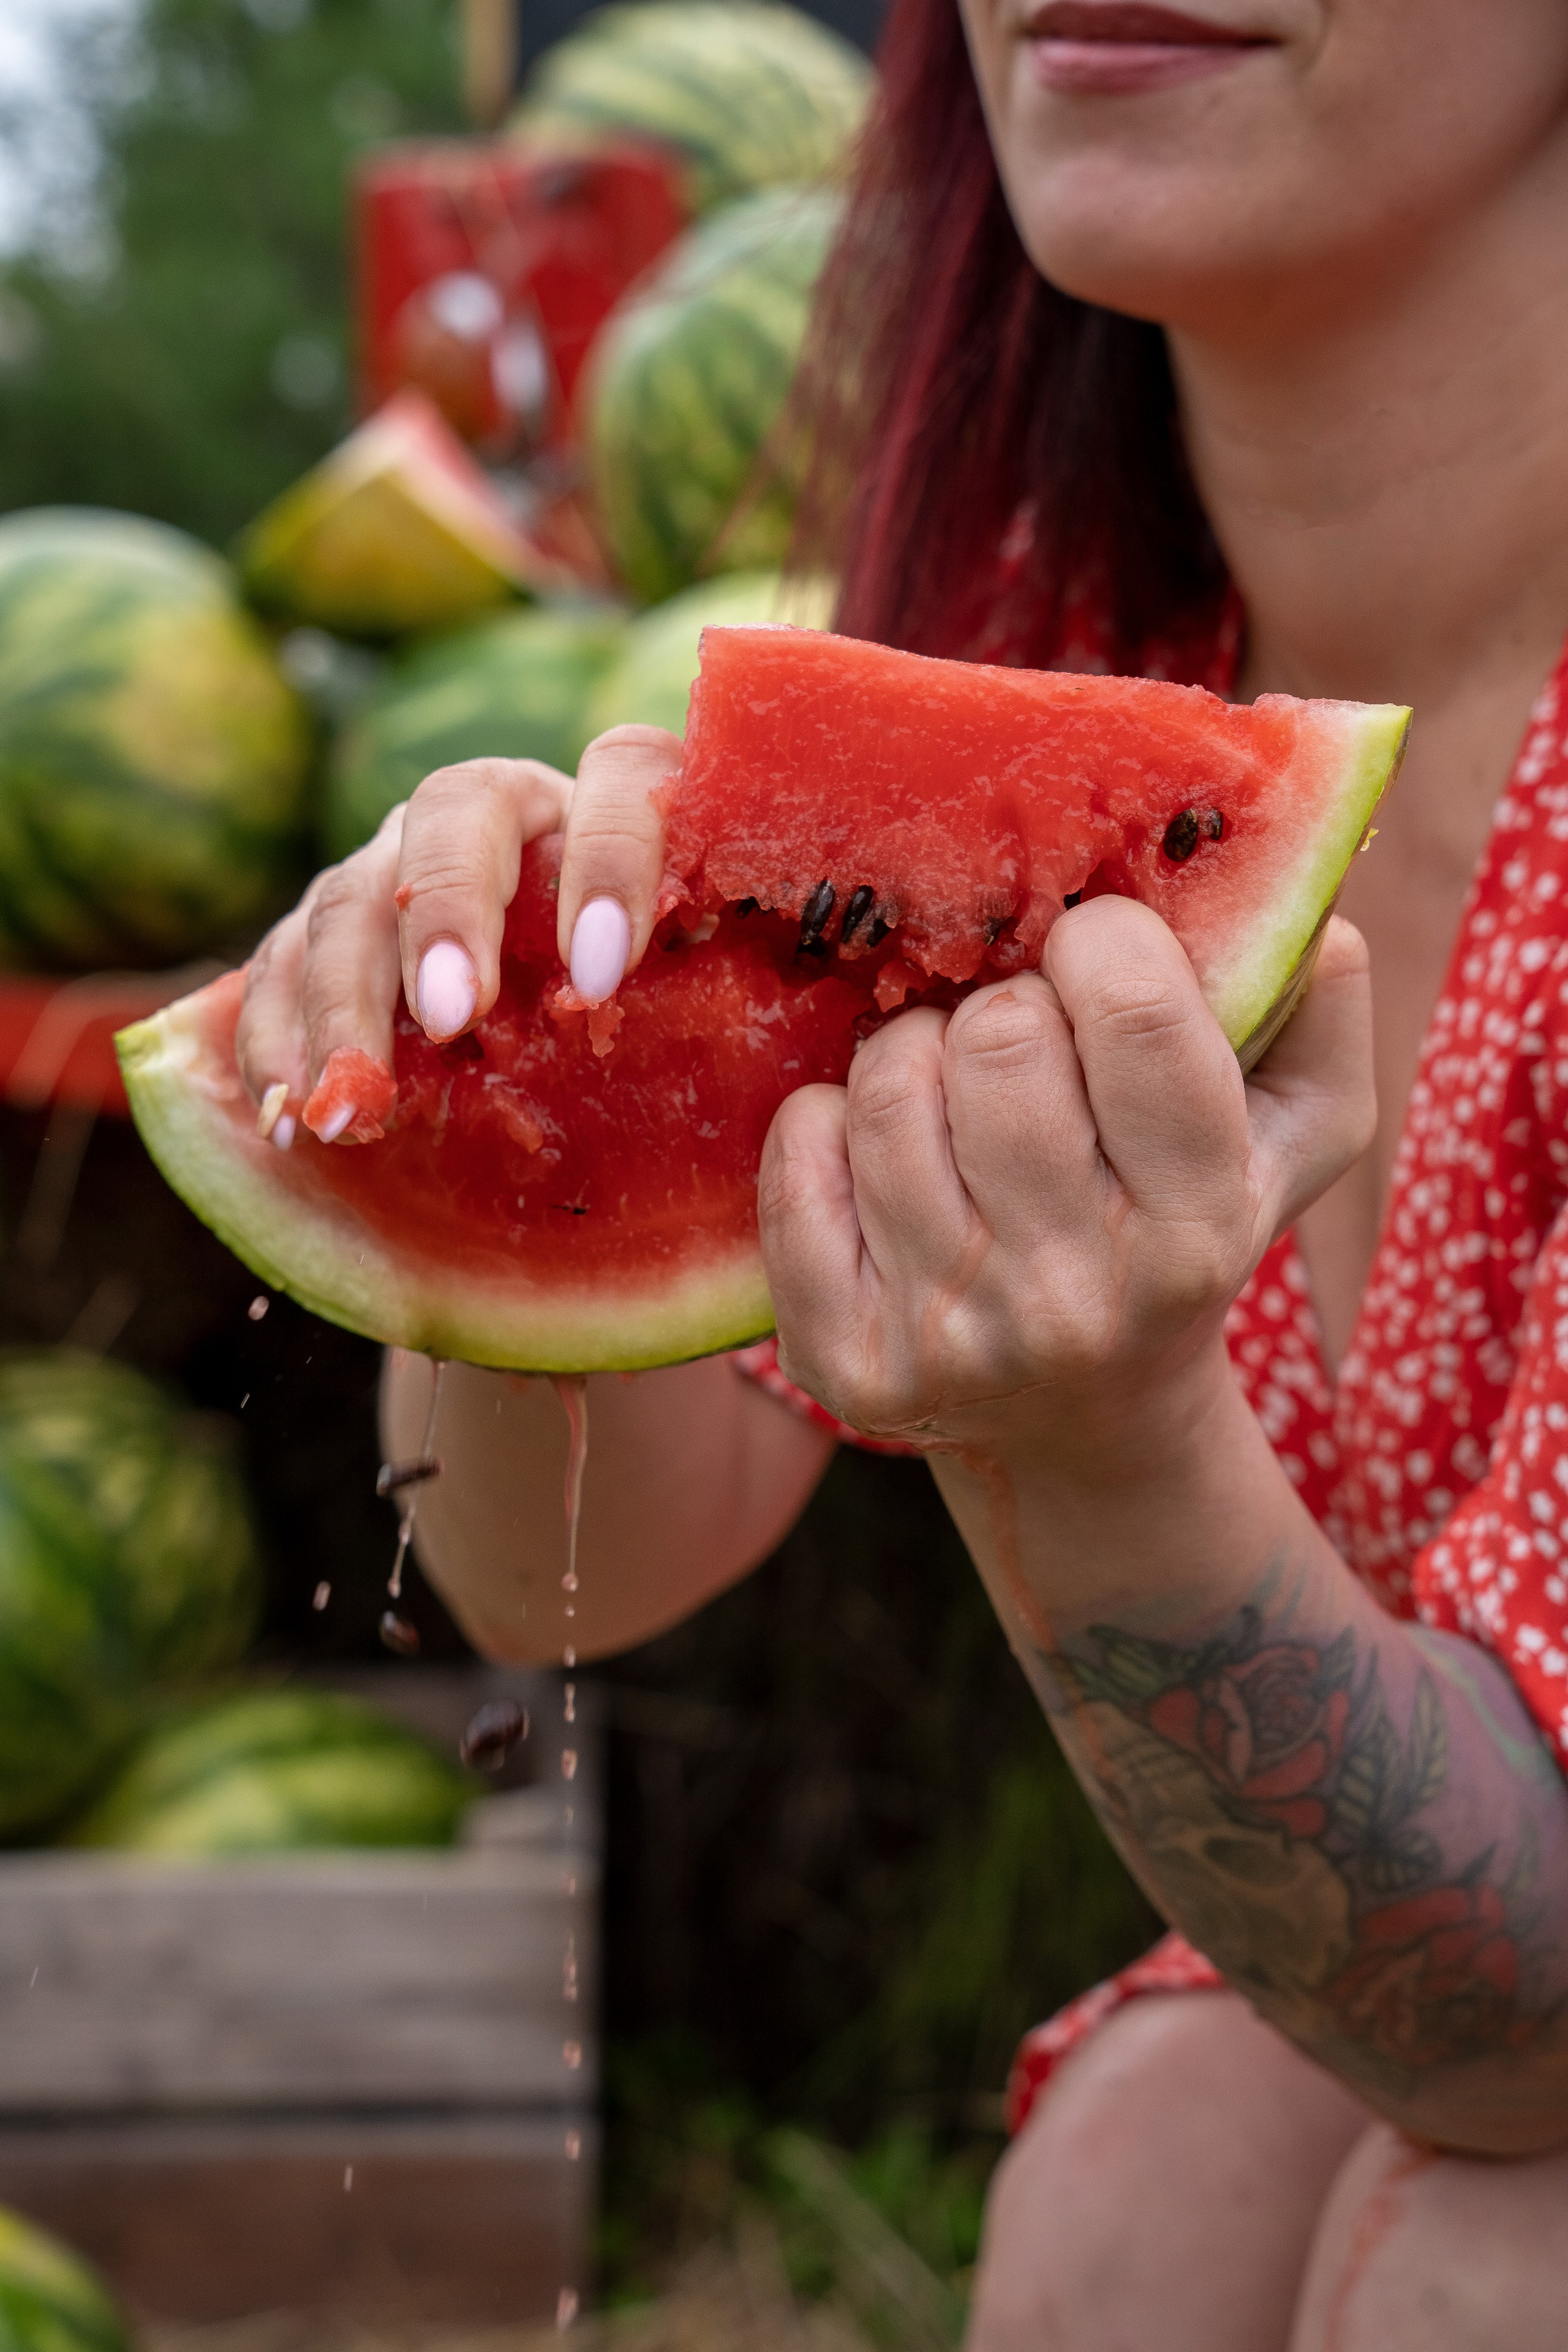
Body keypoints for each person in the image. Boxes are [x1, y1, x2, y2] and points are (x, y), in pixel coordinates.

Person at [237, 0, 1568, 2340]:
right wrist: (525, 1104)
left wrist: (1102, 1453)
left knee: (1481, 2265)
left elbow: (1517, 2025)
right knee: (1137, 2187)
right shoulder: (1064, 641)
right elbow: (560, 1584)